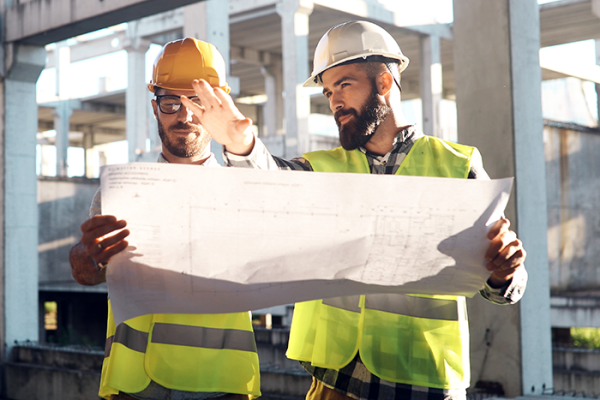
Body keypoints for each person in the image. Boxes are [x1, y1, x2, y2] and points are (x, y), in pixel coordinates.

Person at [183, 20, 528, 400]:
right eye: (328, 91)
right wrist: (240, 142)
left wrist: (503, 273)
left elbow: (506, 289)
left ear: (384, 83)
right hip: (334, 383)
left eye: (344, 84)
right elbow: (271, 187)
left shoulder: (457, 166)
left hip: (422, 385)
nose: (334, 101)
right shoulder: (321, 168)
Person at [69, 38, 260, 400]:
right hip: (135, 385)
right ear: (156, 108)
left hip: (223, 385)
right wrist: (87, 255)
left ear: (216, 106)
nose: (184, 116)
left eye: (197, 102)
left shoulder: (246, 191)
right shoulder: (121, 193)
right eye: (171, 102)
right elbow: (85, 273)